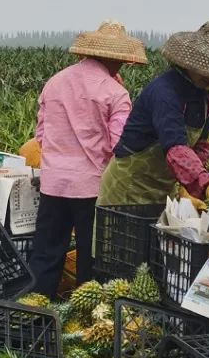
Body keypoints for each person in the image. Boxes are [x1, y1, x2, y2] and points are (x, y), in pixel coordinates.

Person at [28, 22, 146, 298]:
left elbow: (41, 134)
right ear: (115, 59)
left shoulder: (55, 81)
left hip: (53, 183)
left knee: (45, 252)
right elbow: (120, 144)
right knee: (90, 257)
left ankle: (32, 311)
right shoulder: (115, 93)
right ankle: (85, 316)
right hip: (91, 187)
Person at [96, 22, 209, 207]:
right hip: (128, 188)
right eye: (205, 67)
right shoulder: (165, 92)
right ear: (188, 63)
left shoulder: (207, 95)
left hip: (161, 191)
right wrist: (208, 185)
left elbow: (201, 145)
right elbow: (175, 146)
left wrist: (190, 188)